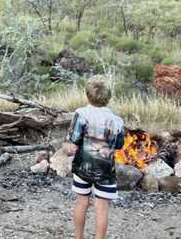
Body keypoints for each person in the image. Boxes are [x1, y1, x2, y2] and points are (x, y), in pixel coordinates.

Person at [63, 76, 125, 239]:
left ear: (87, 94)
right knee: (102, 208)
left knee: (81, 202)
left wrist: (68, 149)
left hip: (82, 167)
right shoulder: (117, 121)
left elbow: (74, 140)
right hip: (105, 170)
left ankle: (78, 237)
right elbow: (119, 145)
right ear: (109, 97)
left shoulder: (81, 114)